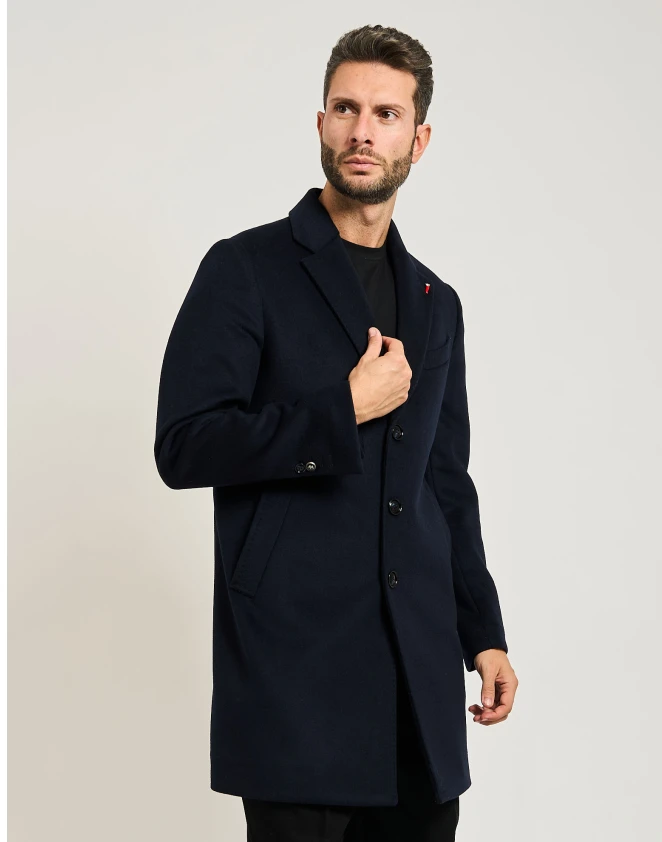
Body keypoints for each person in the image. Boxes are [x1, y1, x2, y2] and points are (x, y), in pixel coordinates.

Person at [154, 23, 519, 842]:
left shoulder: (435, 302)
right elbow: (184, 445)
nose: (362, 131)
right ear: (320, 123)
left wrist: (482, 634)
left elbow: (443, 481)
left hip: (417, 677)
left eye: (386, 114)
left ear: (418, 140)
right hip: (295, 670)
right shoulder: (244, 269)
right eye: (346, 108)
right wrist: (339, 410)